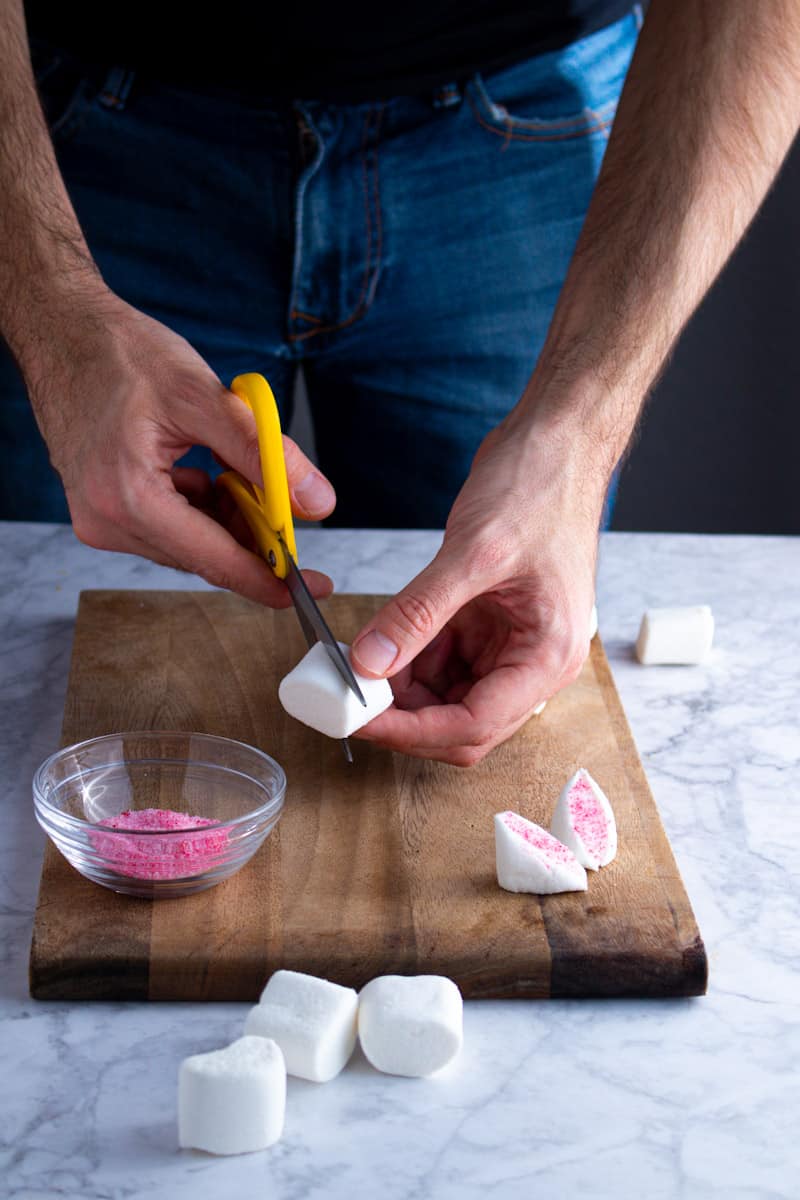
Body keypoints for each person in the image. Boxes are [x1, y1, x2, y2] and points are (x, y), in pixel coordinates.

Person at [1, 2, 798, 765]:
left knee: (504, 602)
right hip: (73, 145)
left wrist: (578, 437)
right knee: (36, 637)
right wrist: (54, 314)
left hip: (522, 127)